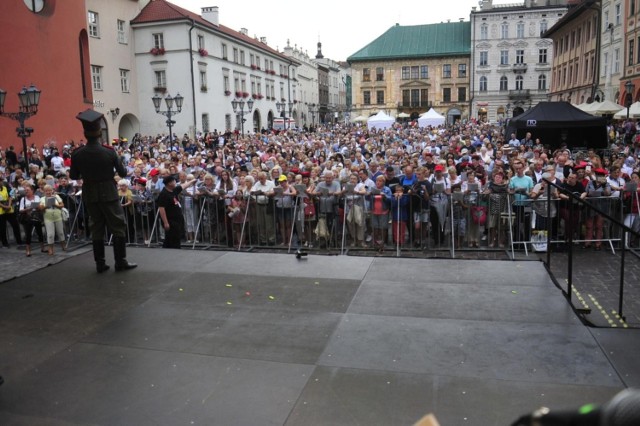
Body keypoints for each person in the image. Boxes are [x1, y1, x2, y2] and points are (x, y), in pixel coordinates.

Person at [69, 109, 137, 272]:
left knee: (96, 228)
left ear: (85, 133)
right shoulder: (108, 151)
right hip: (108, 192)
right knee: (118, 225)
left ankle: (100, 263)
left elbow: (73, 175)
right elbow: (123, 173)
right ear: (100, 132)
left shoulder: (77, 154)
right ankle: (120, 261)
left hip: (90, 194)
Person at [157, 174, 197, 248]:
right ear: (169, 183)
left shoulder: (174, 190)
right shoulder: (164, 194)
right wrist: (165, 222)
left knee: (175, 236)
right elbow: (161, 209)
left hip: (177, 218)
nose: (175, 182)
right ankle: (174, 248)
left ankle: (169, 247)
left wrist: (192, 181)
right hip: (170, 219)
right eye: (174, 181)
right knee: (172, 236)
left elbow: (184, 186)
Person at [18, 182, 44, 256]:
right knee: (28, 234)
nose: (26, 192)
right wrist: (28, 209)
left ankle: (42, 248)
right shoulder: (23, 199)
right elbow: (20, 210)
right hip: (27, 218)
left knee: (40, 232)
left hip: (36, 216)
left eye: (28, 190)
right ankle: (28, 250)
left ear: (32, 191)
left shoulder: (37, 197)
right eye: (25, 190)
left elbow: (40, 207)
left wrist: (37, 207)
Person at [39, 184, 66, 255]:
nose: (48, 192)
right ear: (44, 192)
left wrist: (55, 205)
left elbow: (62, 205)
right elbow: (41, 208)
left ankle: (63, 245)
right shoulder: (42, 199)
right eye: (46, 191)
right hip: (48, 218)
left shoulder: (56, 196)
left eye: (50, 190)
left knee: (60, 232)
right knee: (50, 234)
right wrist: (46, 206)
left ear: (52, 190)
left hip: (58, 217)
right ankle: (50, 248)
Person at [0, 174, 24, 248]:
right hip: (1, 211)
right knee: (2, 228)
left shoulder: (4, 187)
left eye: (1, 181)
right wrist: (4, 206)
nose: (1, 182)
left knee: (15, 225)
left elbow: (10, 196)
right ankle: (5, 243)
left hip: (9, 209)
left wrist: (9, 205)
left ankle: (19, 241)